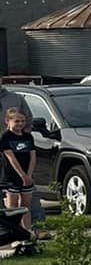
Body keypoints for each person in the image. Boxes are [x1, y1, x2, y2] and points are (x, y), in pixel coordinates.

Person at [0, 106, 36, 255]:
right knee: (12, 209)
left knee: (25, 207)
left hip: (26, 178)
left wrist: (28, 175)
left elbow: (33, 156)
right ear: (7, 121)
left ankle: (27, 233)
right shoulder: (5, 137)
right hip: (11, 177)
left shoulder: (28, 137)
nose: (20, 124)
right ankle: (12, 236)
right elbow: (11, 157)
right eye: (17, 121)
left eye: (22, 121)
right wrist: (21, 175)